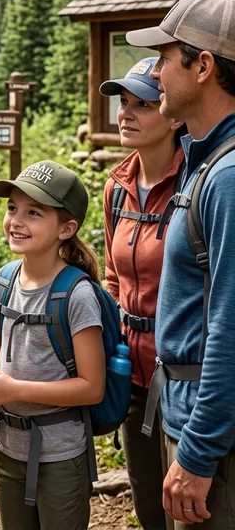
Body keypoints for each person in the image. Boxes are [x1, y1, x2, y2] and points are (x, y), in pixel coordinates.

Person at [126, 0, 235, 528]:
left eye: (167, 58)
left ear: (204, 67)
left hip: (211, 439)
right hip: (191, 419)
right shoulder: (206, 160)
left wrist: (196, 453)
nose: (156, 71)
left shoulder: (228, 178)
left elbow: (231, 327)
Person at [0, 160, 105, 529]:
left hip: (61, 453)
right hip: (7, 445)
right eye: (12, 208)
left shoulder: (76, 295)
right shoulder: (1, 282)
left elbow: (91, 388)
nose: (16, 221)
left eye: (34, 212)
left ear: (67, 228)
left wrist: (13, 388)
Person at [100, 57, 184, 530]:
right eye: (123, 102)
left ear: (173, 112)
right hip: (130, 373)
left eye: (143, 104)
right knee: (148, 506)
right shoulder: (118, 188)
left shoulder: (196, 183)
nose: (126, 113)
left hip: (182, 376)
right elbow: (114, 277)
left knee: (191, 508)